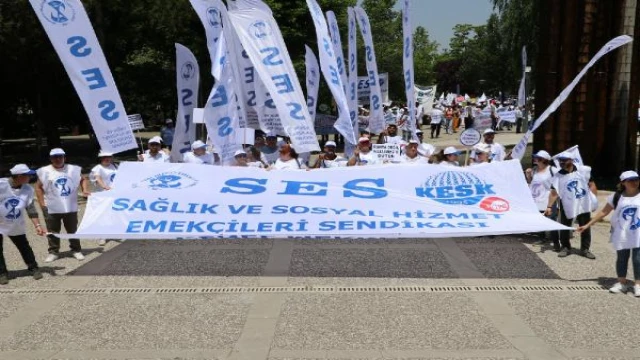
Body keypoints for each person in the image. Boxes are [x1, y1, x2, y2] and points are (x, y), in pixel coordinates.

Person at [577, 171, 640, 295]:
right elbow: (603, 212)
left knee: (638, 259)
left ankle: (637, 285)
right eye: (630, 180)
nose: (634, 182)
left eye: (636, 179)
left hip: (638, 233)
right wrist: (587, 225)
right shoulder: (617, 196)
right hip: (622, 233)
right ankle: (621, 283)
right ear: (623, 183)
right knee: (622, 258)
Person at [36, 148, 89, 262]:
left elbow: (83, 179)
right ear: (51, 159)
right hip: (51, 206)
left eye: (60, 156)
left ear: (64, 157)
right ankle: (53, 252)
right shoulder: (45, 171)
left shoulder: (72, 169)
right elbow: (38, 187)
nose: (58, 159)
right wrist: (41, 203)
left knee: (72, 229)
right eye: (55, 157)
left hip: (69, 205)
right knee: (52, 230)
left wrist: (84, 189)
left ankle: (76, 250)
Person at [545, 152, 597, 259]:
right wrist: (549, 206)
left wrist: (594, 200)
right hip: (567, 204)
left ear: (572, 160)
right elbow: (554, 193)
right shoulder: (558, 176)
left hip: (583, 203)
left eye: (564, 160)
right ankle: (565, 247)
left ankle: (585, 249)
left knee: (585, 227)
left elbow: (591, 184)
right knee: (565, 226)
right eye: (560, 160)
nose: (562, 162)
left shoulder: (582, 171)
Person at [0, 164, 46, 284]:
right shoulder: (1, 185)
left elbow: (30, 209)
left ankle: (33, 267)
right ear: (20, 176)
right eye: (28, 175)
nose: (31, 177)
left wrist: (38, 225)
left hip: (15, 223)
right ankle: (2, 273)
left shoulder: (27, 189)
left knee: (24, 246)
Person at [525, 150, 557, 247]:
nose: (535, 159)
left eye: (537, 158)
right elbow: (531, 182)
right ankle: (541, 238)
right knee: (539, 219)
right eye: (535, 157)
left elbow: (556, 186)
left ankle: (555, 241)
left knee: (551, 220)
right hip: (536, 199)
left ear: (544, 160)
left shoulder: (552, 170)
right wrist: (528, 175)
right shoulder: (534, 169)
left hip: (548, 199)